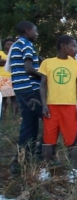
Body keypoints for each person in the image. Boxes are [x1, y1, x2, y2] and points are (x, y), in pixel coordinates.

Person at [39, 35, 77, 180]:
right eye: (73, 46)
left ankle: (73, 170)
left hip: (70, 106)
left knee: (72, 140)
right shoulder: (47, 63)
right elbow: (43, 85)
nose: (76, 49)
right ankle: (44, 170)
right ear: (63, 46)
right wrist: (44, 104)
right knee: (48, 139)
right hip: (51, 106)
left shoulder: (76, 64)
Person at [9, 21, 43, 173]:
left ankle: (24, 158)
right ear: (28, 31)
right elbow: (29, 69)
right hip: (30, 90)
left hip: (21, 89)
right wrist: (44, 76)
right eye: (35, 31)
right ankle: (26, 159)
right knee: (40, 122)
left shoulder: (17, 45)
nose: (37, 34)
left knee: (29, 124)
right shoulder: (26, 45)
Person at [0, 38, 17, 117]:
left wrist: (5, 62)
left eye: (11, 44)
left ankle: (14, 116)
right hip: (3, 78)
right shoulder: (1, 53)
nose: (10, 46)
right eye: (8, 44)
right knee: (3, 99)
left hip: (13, 78)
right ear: (4, 46)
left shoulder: (15, 54)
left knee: (14, 98)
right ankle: (3, 116)